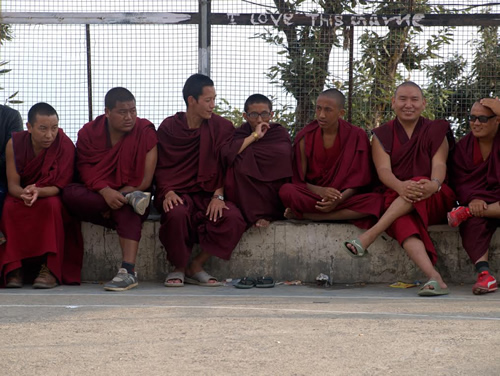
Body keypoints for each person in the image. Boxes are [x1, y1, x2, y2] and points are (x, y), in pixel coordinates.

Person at [343, 81, 456, 296]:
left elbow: (439, 164)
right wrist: (400, 186)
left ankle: (370, 235)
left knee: (419, 182)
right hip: (398, 195)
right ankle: (434, 277)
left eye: (414, 99)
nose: (408, 104)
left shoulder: (435, 130)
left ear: (423, 104)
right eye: (402, 99)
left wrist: (434, 184)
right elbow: (383, 170)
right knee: (402, 221)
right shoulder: (381, 135)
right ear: (393, 103)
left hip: (435, 195)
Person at [155, 73, 246, 287]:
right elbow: (161, 167)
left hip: (209, 193)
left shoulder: (221, 127)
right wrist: (167, 191)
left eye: (214, 99)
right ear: (191, 100)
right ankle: (178, 267)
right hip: (179, 193)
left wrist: (219, 194)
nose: (213, 105)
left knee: (233, 217)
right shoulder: (169, 128)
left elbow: (226, 165)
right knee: (175, 213)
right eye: (208, 100)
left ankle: (196, 265)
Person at [62, 87, 157, 292]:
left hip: (132, 194)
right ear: (107, 112)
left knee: (129, 206)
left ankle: (128, 272)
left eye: (133, 110)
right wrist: (106, 193)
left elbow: (145, 180)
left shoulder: (145, 130)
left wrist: (118, 196)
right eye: (123, 112)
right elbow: (85, 169)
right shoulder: (89, 132)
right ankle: (116, 205)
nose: (129, 117)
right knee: (69, 193)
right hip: (99, 196)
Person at [0, 102, 83, 288]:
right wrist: (25, 194)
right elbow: (13, 185)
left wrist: (38, 191)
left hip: (49, 195)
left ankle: (49, 269)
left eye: (54, 128)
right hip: (23, 193)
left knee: (51, 205)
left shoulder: (64, 144)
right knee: (9, 206)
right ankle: (14, 268)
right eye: (43, 129)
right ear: (29, 127)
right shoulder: (14, 144)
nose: (49, 135)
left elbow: (59, 186)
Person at [278, 89, 383, 227]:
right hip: (315, 197)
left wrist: (338, 200)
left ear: (341, 113)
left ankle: (312, 216)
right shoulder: (305, 136)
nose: (321, 115)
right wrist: (320, 191)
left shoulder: (357, 135)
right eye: (318, 109)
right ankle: (338, 215)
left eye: (328, 110)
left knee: (377, 201)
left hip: (344, 198)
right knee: (287, 191)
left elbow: (360, 181)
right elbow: (299, 180)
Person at [448, 97, 500, 295]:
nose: (476, 123)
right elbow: (459, 181)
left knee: (470, 214)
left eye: (483, 119)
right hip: (481, 203)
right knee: (472, 223)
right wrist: (473, 199)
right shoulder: (464, 147)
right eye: (472, 118)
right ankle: (485, 275)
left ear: (497, 120)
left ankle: (467, 212)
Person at [223, 94, 293, 228]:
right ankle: (249, 215)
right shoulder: (240, 133)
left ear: (271, 114)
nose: (260, 120)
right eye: (254, 115)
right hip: (248, 185)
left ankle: (269, 215)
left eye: (264, 114)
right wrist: (254, 136)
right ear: (245, 116)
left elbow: (284, 156)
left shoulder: (278, 133)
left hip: (272, 181)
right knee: (237, 165)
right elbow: (228, 153)